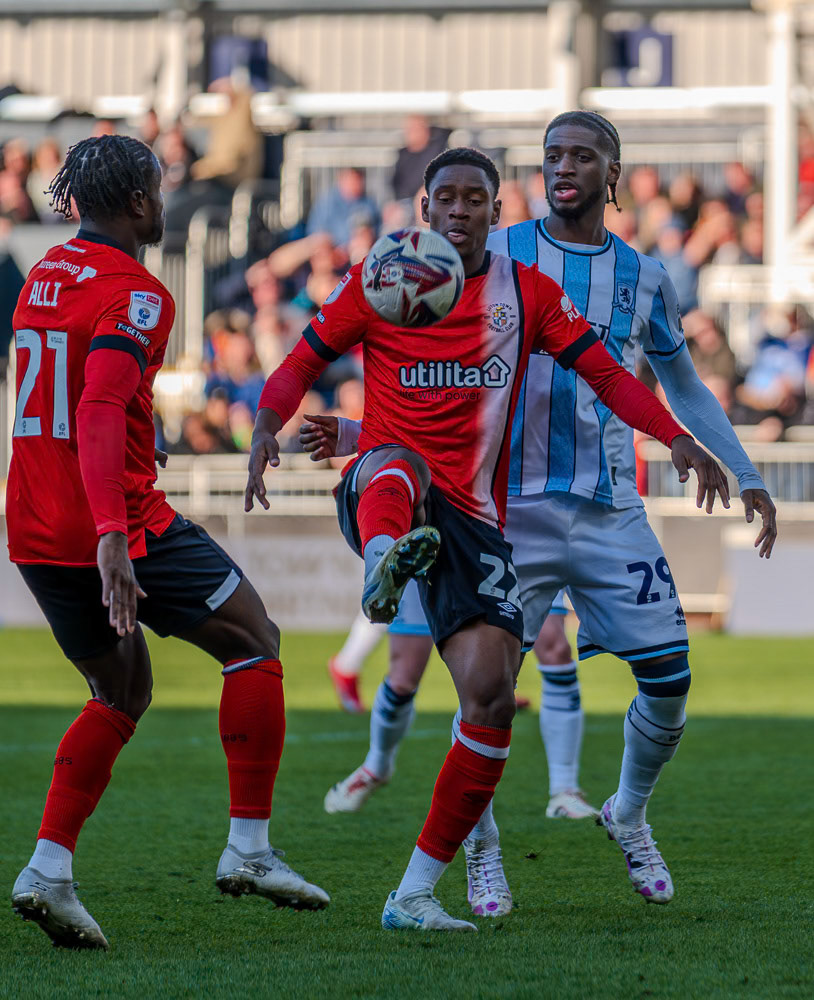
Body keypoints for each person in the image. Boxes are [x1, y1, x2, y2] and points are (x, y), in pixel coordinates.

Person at [300, 114, 778, 919]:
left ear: (612, 174)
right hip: (504, 510)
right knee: (485, 692)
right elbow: (420, 367)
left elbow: (681, 387)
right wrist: (361, 434)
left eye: (582, 156)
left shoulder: (644, 276)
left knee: (670, 679)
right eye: (553, 155)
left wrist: (745, 469)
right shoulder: (488, 251)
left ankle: (628, 812)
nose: (564, 168)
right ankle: (481, 849)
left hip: (608, 507)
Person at [6, 135, 328, 951]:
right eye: (158, 185)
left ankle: (48, 868)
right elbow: (99, 408)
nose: (163, 197)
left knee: (120, 692)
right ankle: (249, 850)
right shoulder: (139, 295)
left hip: (36, 525)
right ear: (139, 202)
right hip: (117, 522)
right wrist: (113, 535)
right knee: (254, 640)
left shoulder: (44, 274)